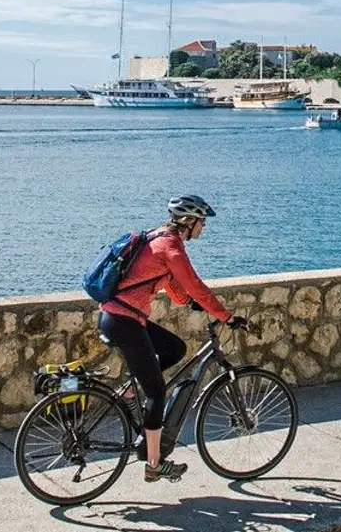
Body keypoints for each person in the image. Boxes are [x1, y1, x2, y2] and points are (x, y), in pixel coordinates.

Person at [99, 195, 246, 483]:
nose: (203, 227)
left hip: (119, 317)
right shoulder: (171, 247)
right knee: (156, 392)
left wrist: (189, 303)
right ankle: (154, 464)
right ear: (188, 221)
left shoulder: (158, 237)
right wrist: (226, 316)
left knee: (175, 348)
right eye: (202, 222)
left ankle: (129, 391)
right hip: (124, 321)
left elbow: (173, 285)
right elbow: (196, 285)